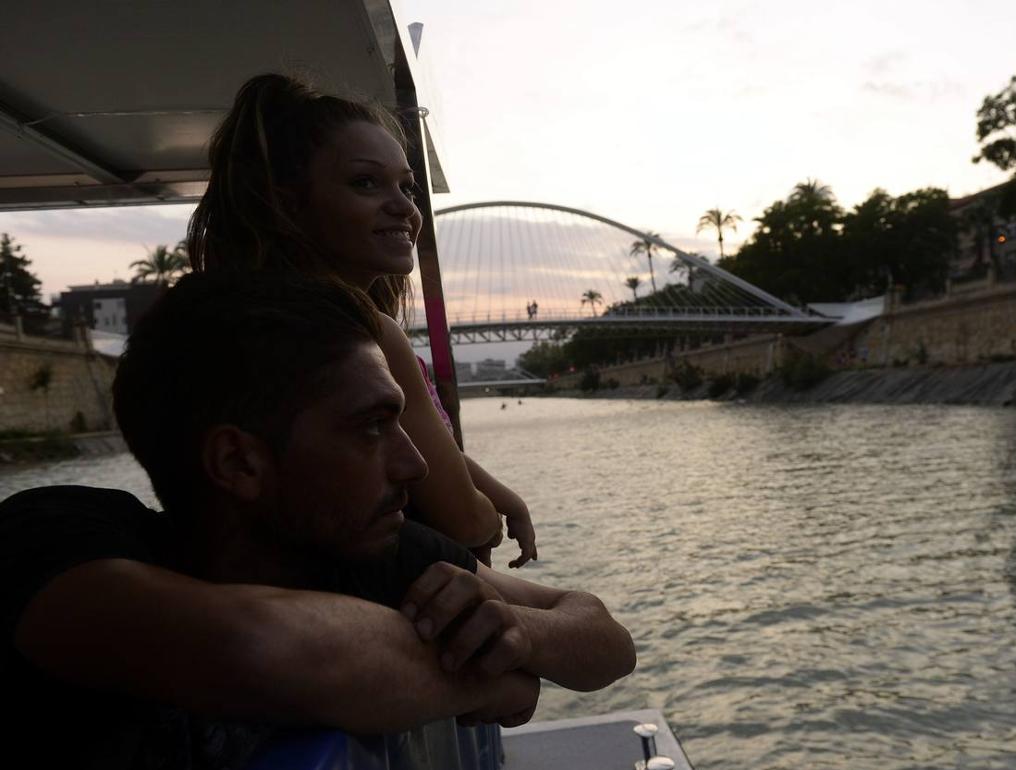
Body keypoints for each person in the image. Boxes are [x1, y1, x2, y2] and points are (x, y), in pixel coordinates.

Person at [0, 272, 635, 767]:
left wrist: (520, 632)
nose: (414, 466)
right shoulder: (51, 541)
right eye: (372, 428)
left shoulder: (368, 546)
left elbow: (605, 640)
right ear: (239, 462)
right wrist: (493, 682)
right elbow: (270, 646)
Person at [186, 73, 536, 568]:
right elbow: (462, 521)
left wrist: (498, 492)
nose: (404, 208)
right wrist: (484, 518)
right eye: (365, 183)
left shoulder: (266, 322)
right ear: (287, 202)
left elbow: (422, 444)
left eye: (407, 187)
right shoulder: (368, 336)